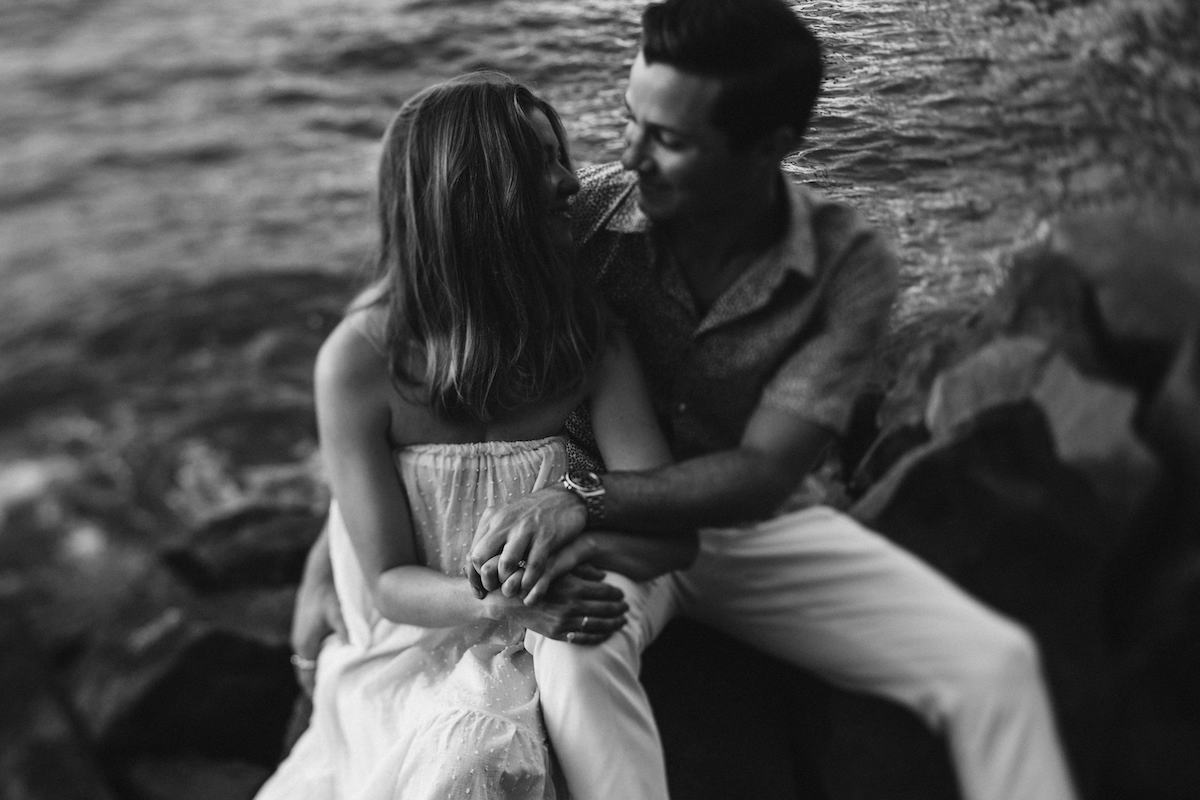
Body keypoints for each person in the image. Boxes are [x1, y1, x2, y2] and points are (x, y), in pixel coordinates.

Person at [462, 2, 1082, 800]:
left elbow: (758, 471)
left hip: (761, 533)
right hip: (623, 546)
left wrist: (575, 496)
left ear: (769, 150)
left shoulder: (843, 270)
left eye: (670, 140)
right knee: (577, 662)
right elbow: (432, 354)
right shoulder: (577, 221)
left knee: (997, 665)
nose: (627, 158)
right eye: (630, 120)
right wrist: (336, 548)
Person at [259, 73, 695, 800]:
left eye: (561, 154)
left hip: (525, 632)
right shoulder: (358, 361)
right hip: (421, 635)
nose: (568, 182)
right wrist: (500, 606)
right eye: (537, 165)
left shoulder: (586, 338)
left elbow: (666, 523)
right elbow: (391, 581)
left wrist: (571, 507)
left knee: (467, 764)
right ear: (467, 197)